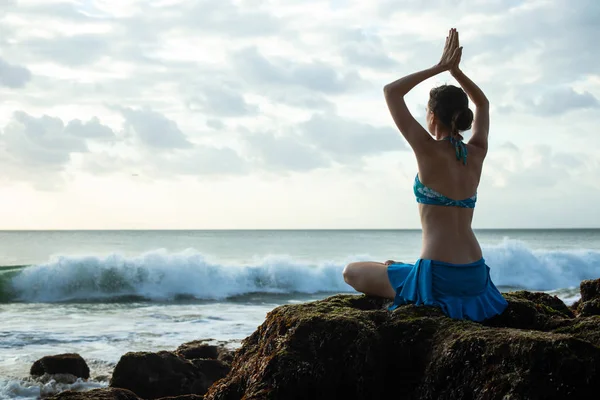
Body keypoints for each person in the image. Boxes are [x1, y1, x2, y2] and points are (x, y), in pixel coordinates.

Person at [342, 28, 507, 322]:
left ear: (432, 115)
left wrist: (440, 68)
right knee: (394, 266)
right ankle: (406, 268)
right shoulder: (477, 151)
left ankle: (408, 271)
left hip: (438, 277)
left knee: (351, 271)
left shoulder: (427, 149)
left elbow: (391, 91)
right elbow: (482, 104)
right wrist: (457, 73)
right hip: (475, 274)